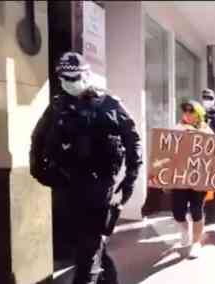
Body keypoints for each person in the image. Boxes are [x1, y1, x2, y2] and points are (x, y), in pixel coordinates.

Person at [30, 52, 142, 284]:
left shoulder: (109, 104)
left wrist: (129, 181)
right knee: (85, 244)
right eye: (64, 78)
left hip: (99, 186)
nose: (69, 83)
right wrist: (38, 169)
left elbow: (133, 140)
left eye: (74, 78)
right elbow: (38, 137)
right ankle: (107, 278)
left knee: (88, 248)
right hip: (66, 184)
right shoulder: (58, 105)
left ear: (86, 75)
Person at [170, 99, 214, 258]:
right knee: (177, 211)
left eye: (191, 112)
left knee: (197, 210)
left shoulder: (206, 129)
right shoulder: (177, 128)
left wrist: (198, 135)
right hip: (180, 177)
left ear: (198, 115)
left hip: (199, 178)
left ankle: (196, 243)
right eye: (185, 111)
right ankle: (184, 231)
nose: (187, 114)